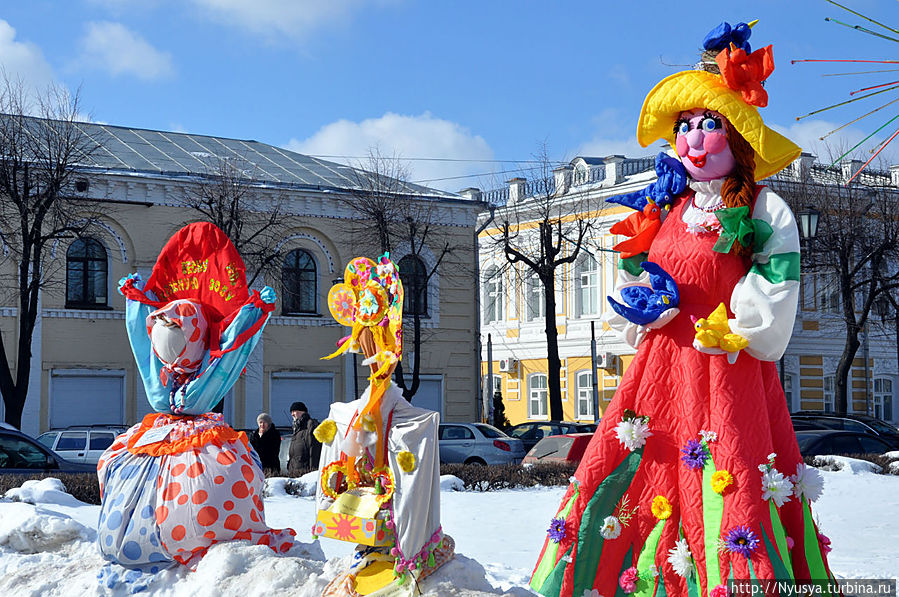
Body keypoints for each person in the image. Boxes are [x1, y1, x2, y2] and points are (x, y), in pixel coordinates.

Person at [530, 22, 837, 597]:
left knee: (731, 472)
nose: (693, 139)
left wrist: (737, 324)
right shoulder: (662, 206)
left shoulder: (763, 209)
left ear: (739, 136)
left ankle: (737, 580)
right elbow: (635, 269)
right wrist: (644, 304)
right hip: (661, 370)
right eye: (685, 127)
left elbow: (777, 277)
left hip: (727, 367)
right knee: (645, 463)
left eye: (709, 124)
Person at [287, 401, 320, 476]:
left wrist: (313, 472)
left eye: (294, 411)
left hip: (305, 473)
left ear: (302, 411)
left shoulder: (310, 425)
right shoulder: (297, 428)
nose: (292, 414)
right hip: (294, 472)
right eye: (291, 412)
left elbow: (314, 450)